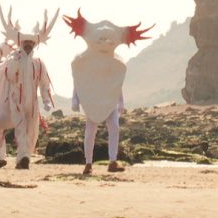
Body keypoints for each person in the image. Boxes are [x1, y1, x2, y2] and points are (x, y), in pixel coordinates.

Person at [63, 9, 152, 175]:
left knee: (114, 128)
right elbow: (81, 81)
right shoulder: (83, 61)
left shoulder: (116, 63)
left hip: (109, 100)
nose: (105, 43)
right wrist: (75, 98)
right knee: (90, 131)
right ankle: (88, 163)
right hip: (92, 99)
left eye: (109, 40)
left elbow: (115, 83)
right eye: (101, 39)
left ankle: (112, 161)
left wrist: (120, 102)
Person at [0, 4, 59, 169]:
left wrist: (46, 100)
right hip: (16, 101)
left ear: (34, 44)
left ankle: (24, 156)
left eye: (31, 42)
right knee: (21, 128)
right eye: (25, 42)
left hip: (32, 103)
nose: (28, 45)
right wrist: (15, 62)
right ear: (20, 43)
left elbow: (44, 83)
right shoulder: (13, 60)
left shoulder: (38, 63)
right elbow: (9, 76)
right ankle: (23, 157)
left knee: (32, 132)